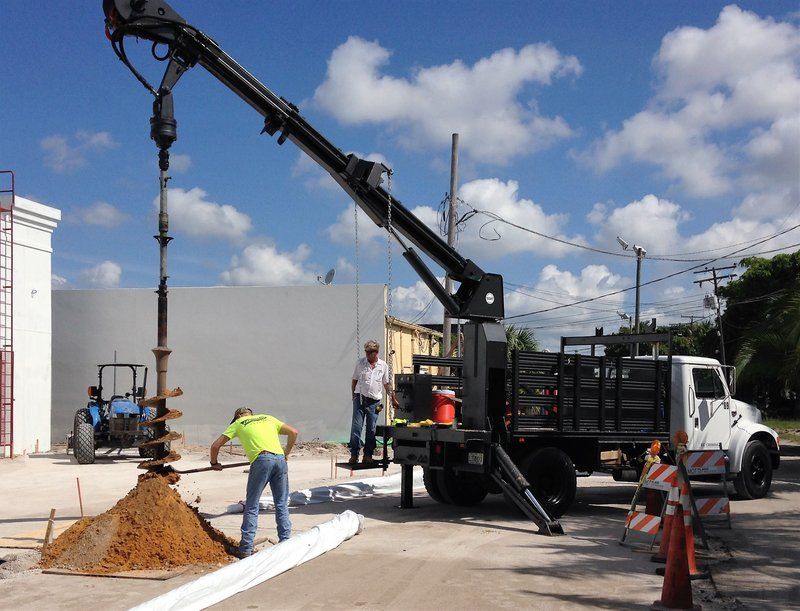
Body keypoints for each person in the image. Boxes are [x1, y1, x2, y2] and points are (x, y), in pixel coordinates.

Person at [209, 407, 298, 558]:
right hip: (280, 460)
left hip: (261, 460)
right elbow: (294, 432)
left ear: (237, 417)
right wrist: (286, 453)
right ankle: (286, 542)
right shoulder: (268, 418)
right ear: (252, 414)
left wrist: (214, 463)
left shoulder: (238, 423)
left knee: (252, 505)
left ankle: (245, 549)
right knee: (281, 503)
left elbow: (215, 446)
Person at [349, 339, 398, 465]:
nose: (367, 354)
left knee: (371, 429)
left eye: (370, 352)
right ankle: (354, 454)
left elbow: (386, 384)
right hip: (360, 398)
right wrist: (353, 395)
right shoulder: (360, 363)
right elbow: (354, 380)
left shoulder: (383, 366)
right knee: (356, 427)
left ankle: (368, 455)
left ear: (376, 352)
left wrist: (392, 398)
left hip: (374, 401)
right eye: (366, 351)